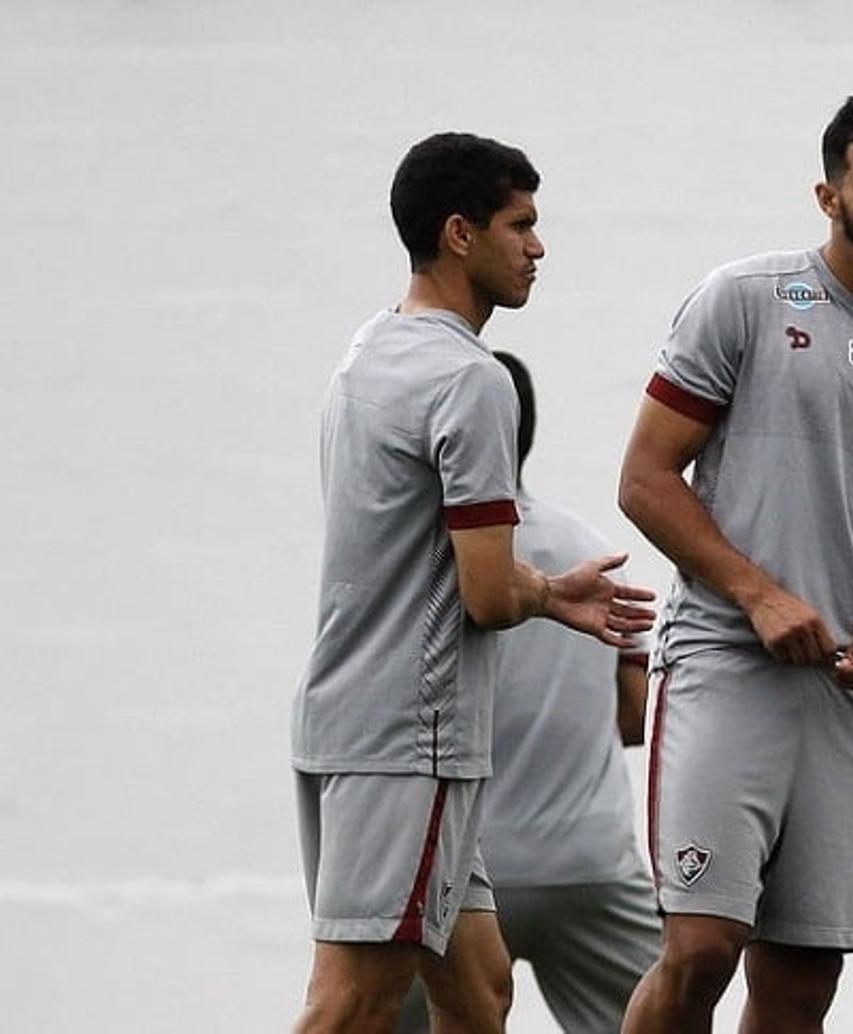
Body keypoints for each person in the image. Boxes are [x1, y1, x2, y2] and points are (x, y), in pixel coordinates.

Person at [291, 132, 654, 1034]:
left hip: (348, 724)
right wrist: (551, 594)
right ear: (460, 234)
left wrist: (531, 586)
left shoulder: (370, 350)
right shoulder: (471, 378)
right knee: (351, 1005)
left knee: (480, 988)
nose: (538, 246)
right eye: (520, 224)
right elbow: (489, 596)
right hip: (412, 747)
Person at [615, 93, 853, 1034]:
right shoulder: (746, 300)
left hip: (844, 692)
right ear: (828, 193)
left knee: (804, 980)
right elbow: (644, 478)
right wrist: (758, 594)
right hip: (728, 667)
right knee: (702, 948)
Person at [395, 351, 663, 1033]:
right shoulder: (589, 546)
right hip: (592, 862)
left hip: (464, 866)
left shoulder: (423, 558)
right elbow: (634, 718)